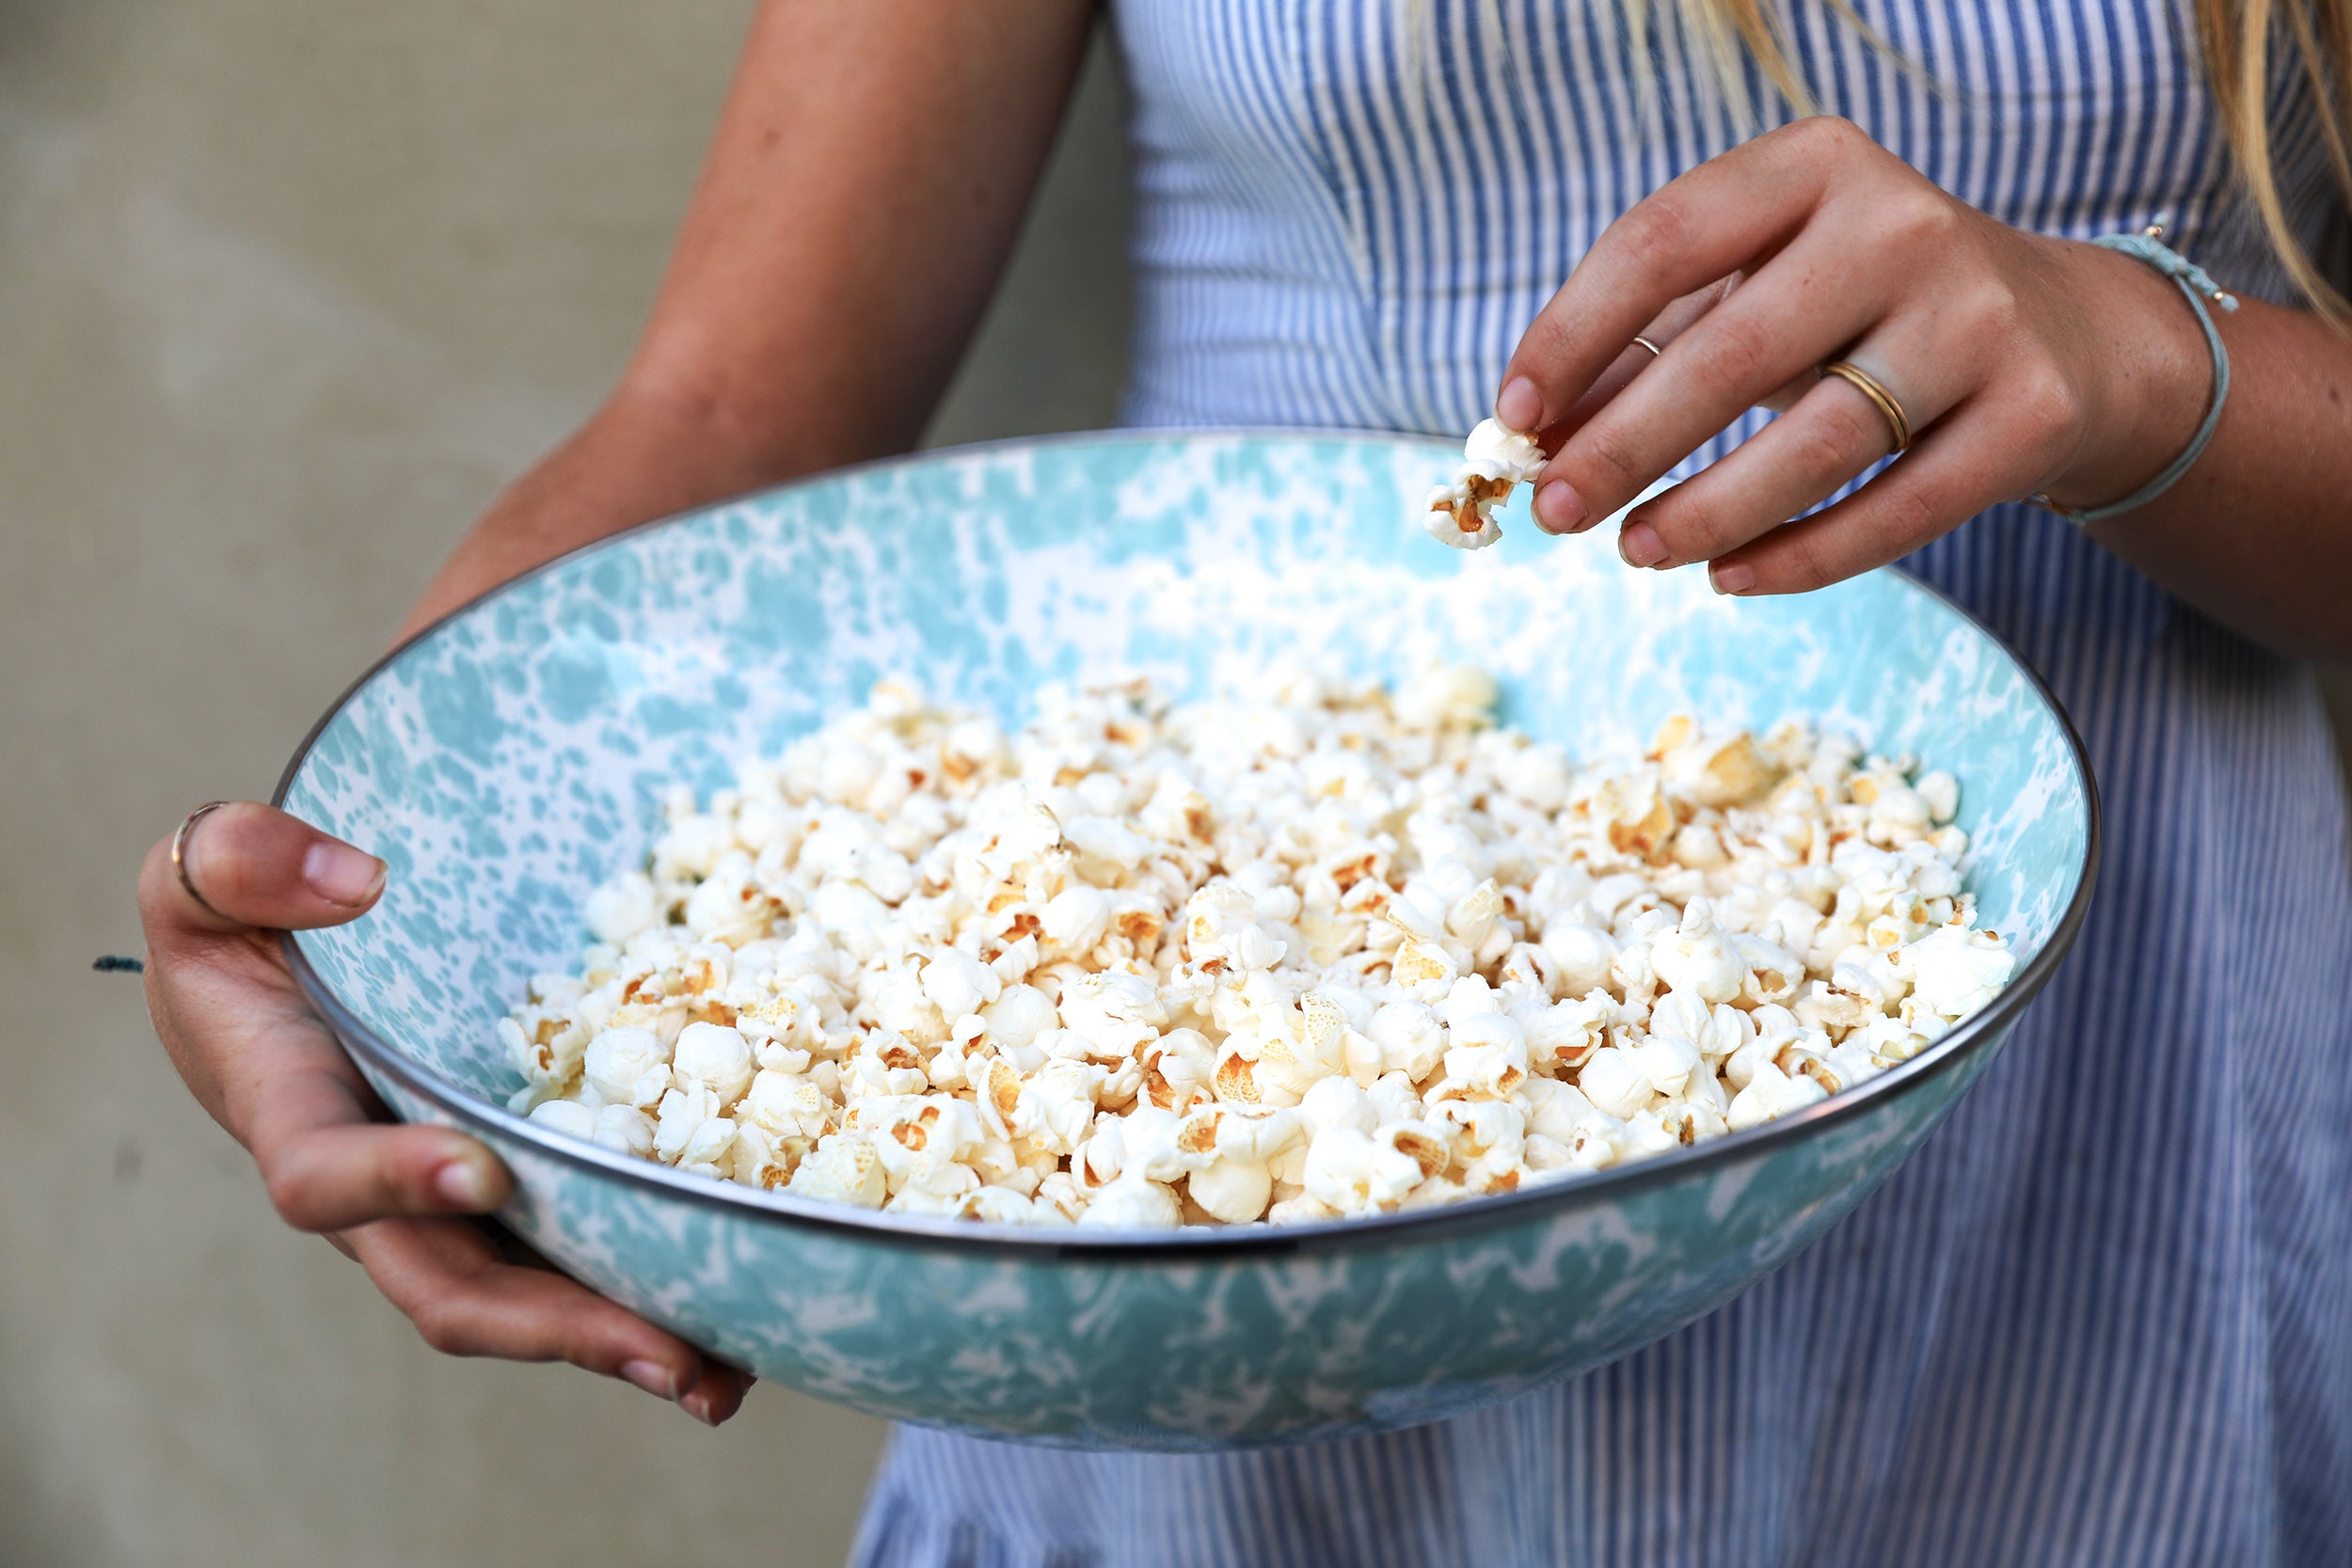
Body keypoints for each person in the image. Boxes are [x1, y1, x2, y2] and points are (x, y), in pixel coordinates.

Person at [137, 1, 2352, 1560]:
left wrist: (2126, 355)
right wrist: (379, 892)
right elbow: (726, 420)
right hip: (1170, 1049)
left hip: (2081, 1072)